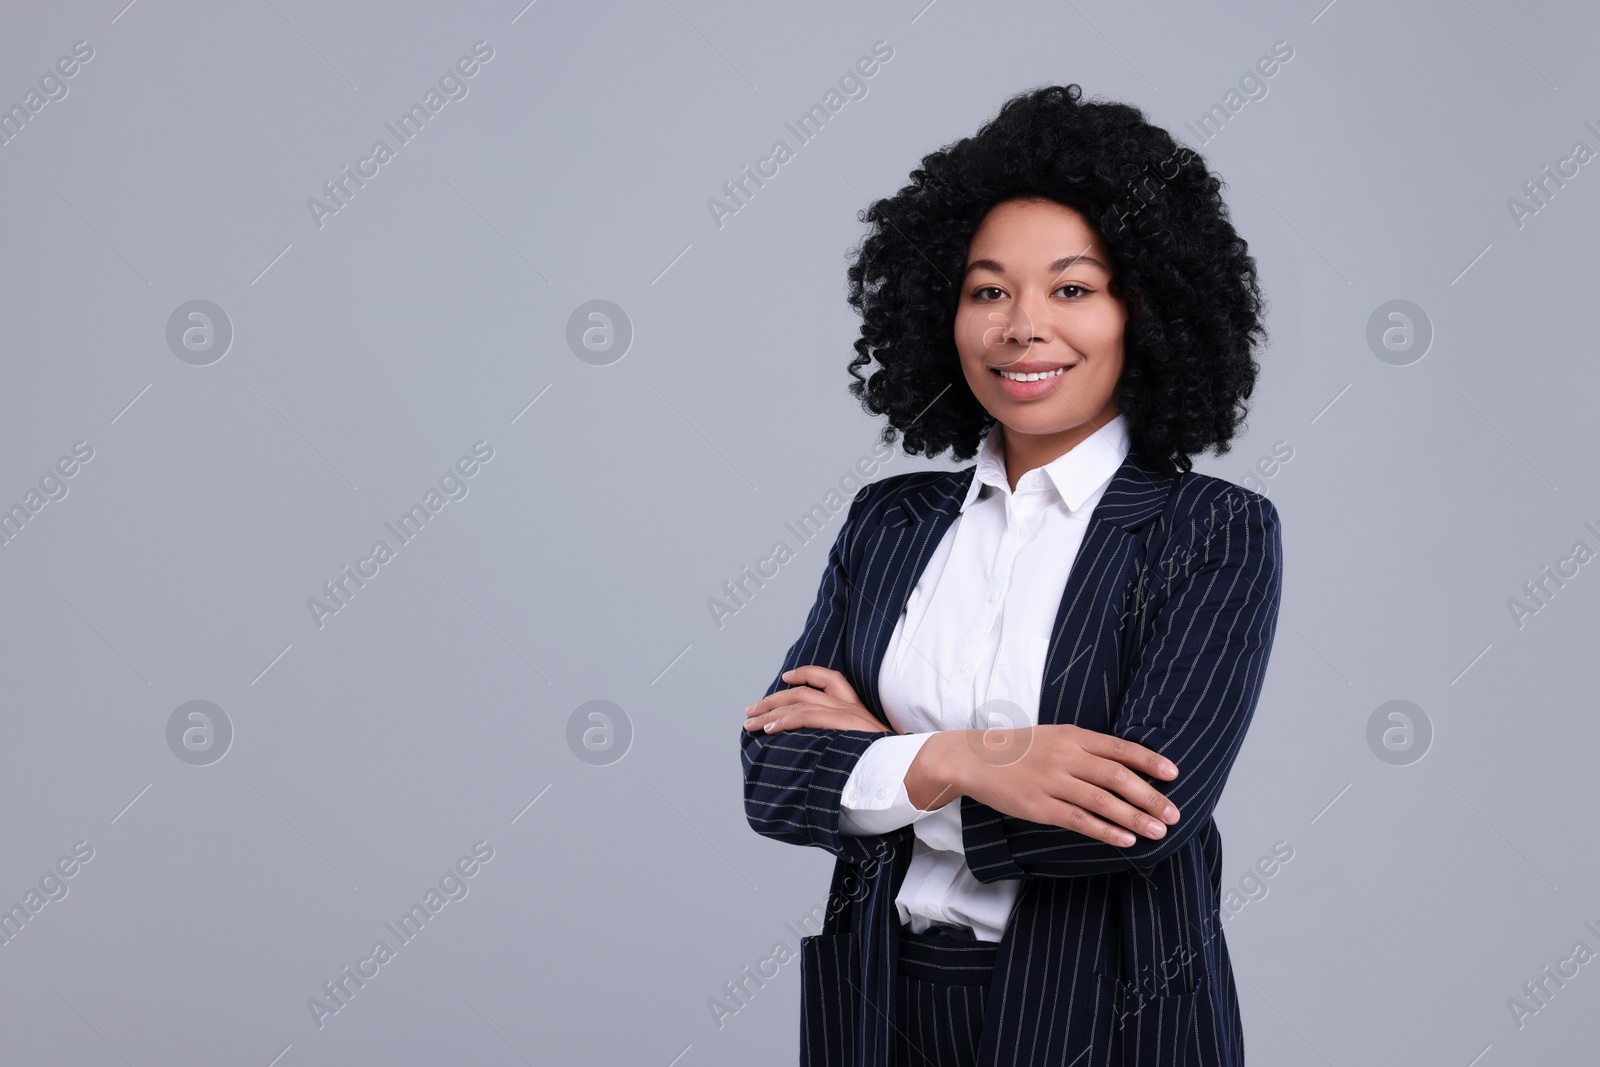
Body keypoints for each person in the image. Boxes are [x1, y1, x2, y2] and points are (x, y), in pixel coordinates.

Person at [741, 83, 1283, 1067]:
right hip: (881, 1000)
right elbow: (774, 775)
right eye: (988, 289)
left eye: (1071, 288)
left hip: (1106, 1013)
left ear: (1144, 310)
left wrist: (885, 760)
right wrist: (967, 759)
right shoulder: (891, 520)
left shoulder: (1210, 531)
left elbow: (1133, 825)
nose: (1021, 325)